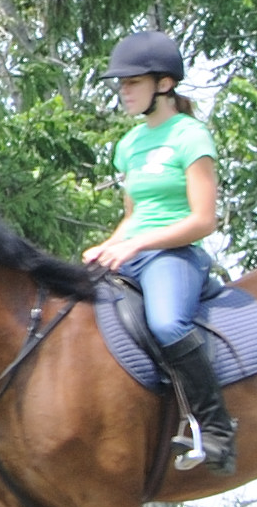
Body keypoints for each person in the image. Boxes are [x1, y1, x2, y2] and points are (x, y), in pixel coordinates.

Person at [88, 26, 234, 473]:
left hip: (174, 254)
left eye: (133, 82)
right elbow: (134, 214)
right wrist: (108, 245)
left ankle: (216, 430)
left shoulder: (190, 136)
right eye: (121, 84)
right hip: (132, 253)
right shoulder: (129, 144)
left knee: (168, 324)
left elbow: (202, 219)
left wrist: (138, 244)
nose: (124, 91)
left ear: (164, 84)